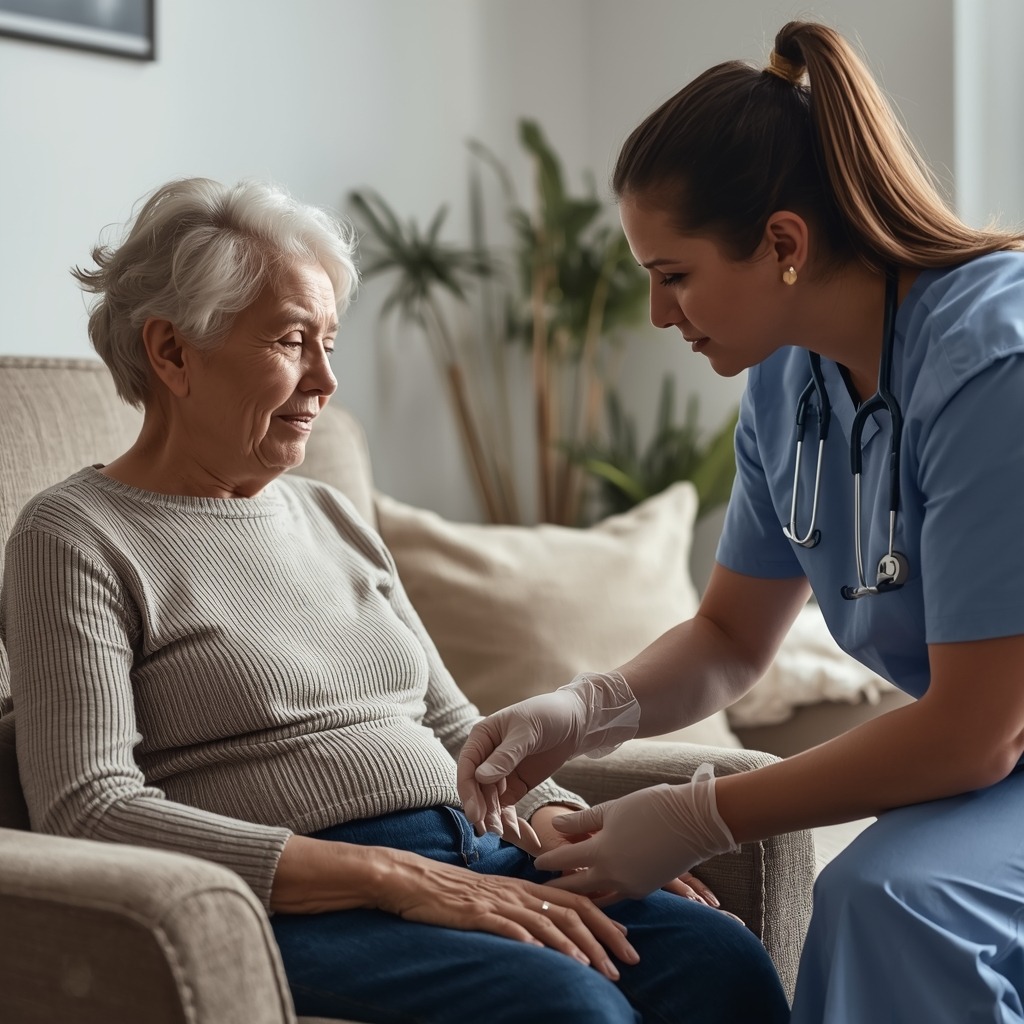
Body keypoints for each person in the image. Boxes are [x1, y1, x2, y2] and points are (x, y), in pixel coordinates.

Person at [0, 176, 790, 1024]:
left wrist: (562, 817)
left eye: (329, 343)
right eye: (292, 341)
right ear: (172, 352)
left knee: (719, 959)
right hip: (306, 898)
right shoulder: (75, 535)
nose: (326, 379)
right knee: (568, 1007)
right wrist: (389, 876)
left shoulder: (329, 515)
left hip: (474, 853)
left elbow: (450, 723)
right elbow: (90, 807)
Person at [458, 19, 1024, 1024]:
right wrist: (582, 708)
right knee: (876, 899)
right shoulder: (785, 381)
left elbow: (976, 731)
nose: (657, 314)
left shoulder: (993, 364)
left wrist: (697, 815)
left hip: (993, 742)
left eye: (673, 275)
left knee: (897, 903)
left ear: (783, 244)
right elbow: (729, 635)